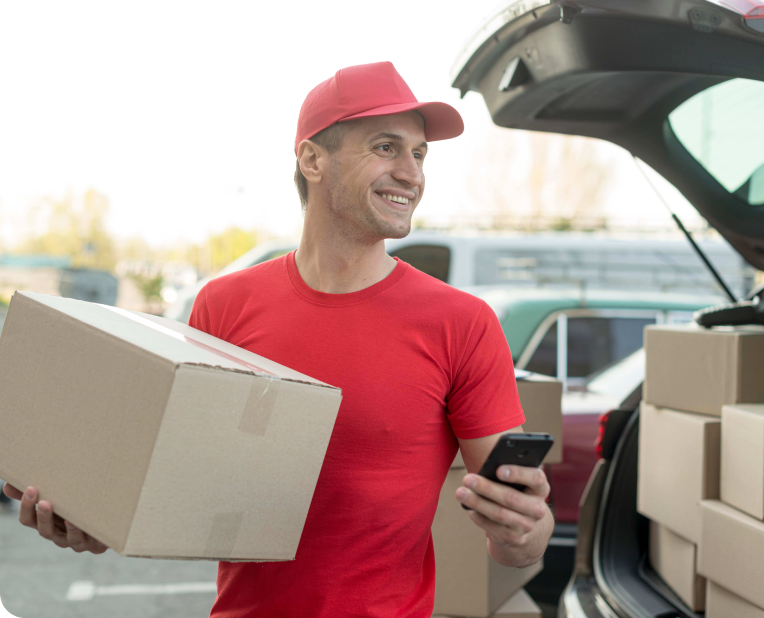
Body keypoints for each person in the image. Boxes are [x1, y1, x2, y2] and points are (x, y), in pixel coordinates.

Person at [4, 61, 555, 617]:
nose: (412, 174)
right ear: (312, 159)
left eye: (419, 154)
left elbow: (519, 539)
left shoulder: (461, 322)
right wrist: (93, 518)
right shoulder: (224, 304)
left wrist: (524, 531)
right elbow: (174, 478)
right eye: (386, 148)